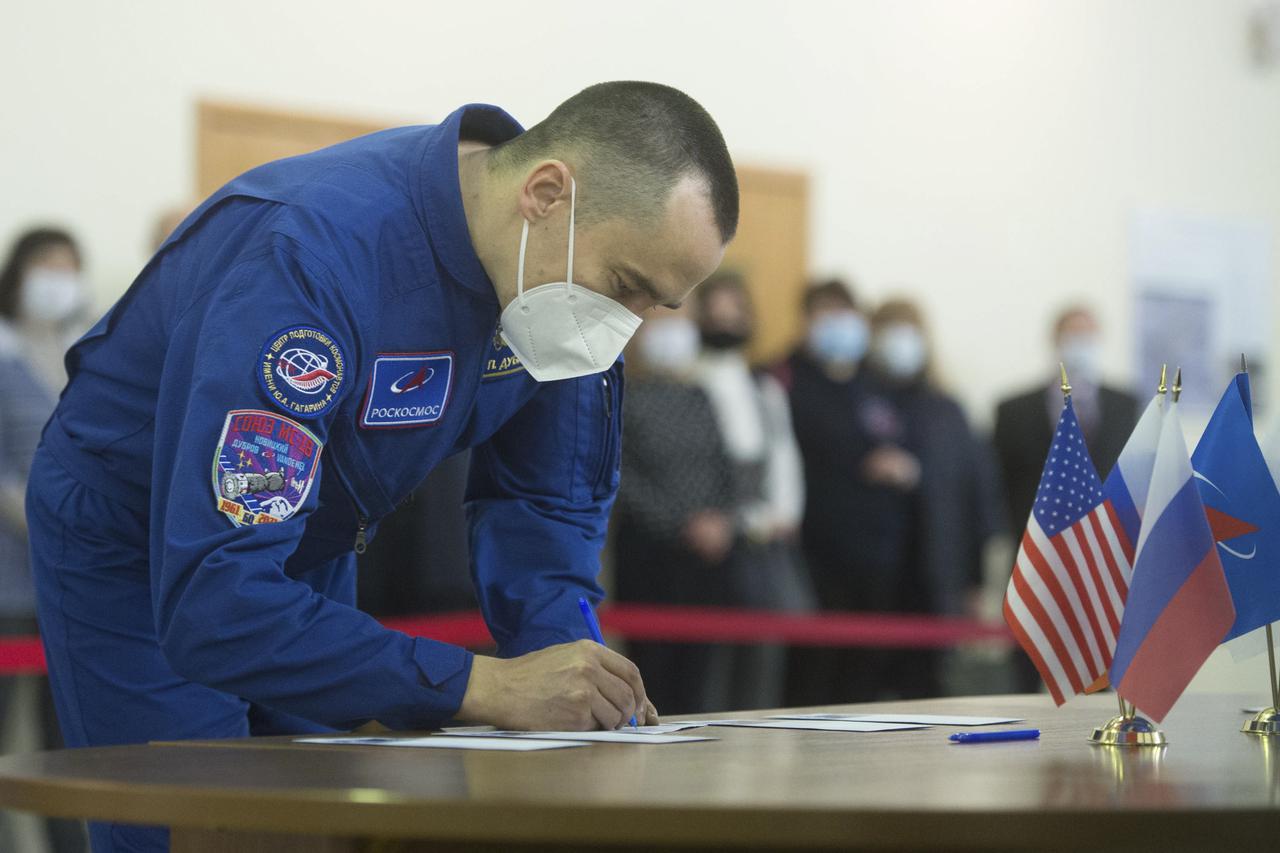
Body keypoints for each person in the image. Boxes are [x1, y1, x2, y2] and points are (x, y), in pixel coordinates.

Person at [26, 81, 737, 853]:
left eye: (653, 305)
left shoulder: (561, 290)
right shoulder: (313, 255)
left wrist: (575, 689)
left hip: (308, 533)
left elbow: (547, 511)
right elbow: (218, 597)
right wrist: (484, 686)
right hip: (136, 540)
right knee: (195, 825)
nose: (624, 326)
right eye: (626, 285)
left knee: (312, 817)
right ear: (544, 193)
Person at [992, 305, 1139, 693]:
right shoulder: (1012, 409)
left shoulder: (1127, 405)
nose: (1080, 345)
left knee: (1099, 670)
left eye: (1087, 335)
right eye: (1072, 335)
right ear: (1054, 341)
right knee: (1024, 671)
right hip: (1033, 554)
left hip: (1104, 558)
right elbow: (998, 485)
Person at [865, 298, 1005, 698]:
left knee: (931, 688)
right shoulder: (860, 402)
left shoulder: (948, 410)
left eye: (907, 331)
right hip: (872, 578)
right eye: (889, 330)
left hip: (936, 574)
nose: (899, 343)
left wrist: (976, 581)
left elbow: (979, 497)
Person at [0, 228, 89, 853]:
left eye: (68, 267)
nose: (56, 278)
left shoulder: (83, 351)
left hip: (72, 573)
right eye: (44, 266)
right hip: (9, 569)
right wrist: (30, 508)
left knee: (69, 734)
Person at [690, 272, 813, 710]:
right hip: (702, 544)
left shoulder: (764, 385)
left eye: (734, 310)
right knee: (705, 675)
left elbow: (783, 454)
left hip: (760, 543)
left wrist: (782, 514)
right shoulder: (686, 381)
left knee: (761, 671)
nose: (725, 319)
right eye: (715, 310)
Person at [613, 304, 736, 714]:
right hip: (651, 551)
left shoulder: (699, 393)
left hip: (707, 553)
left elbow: (723, 463)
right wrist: (681, 524)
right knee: (654, 668)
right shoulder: (624, 393)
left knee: (699, 671)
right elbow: (622, 475)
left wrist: (721, 521)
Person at [776, 279, 883, 704]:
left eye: (844, 313)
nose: (837, 323)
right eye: (824, 313)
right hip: (810, 548)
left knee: (862, 673)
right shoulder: (782, 378)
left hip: (872, 551)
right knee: (811, 672)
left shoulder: (873, 383)